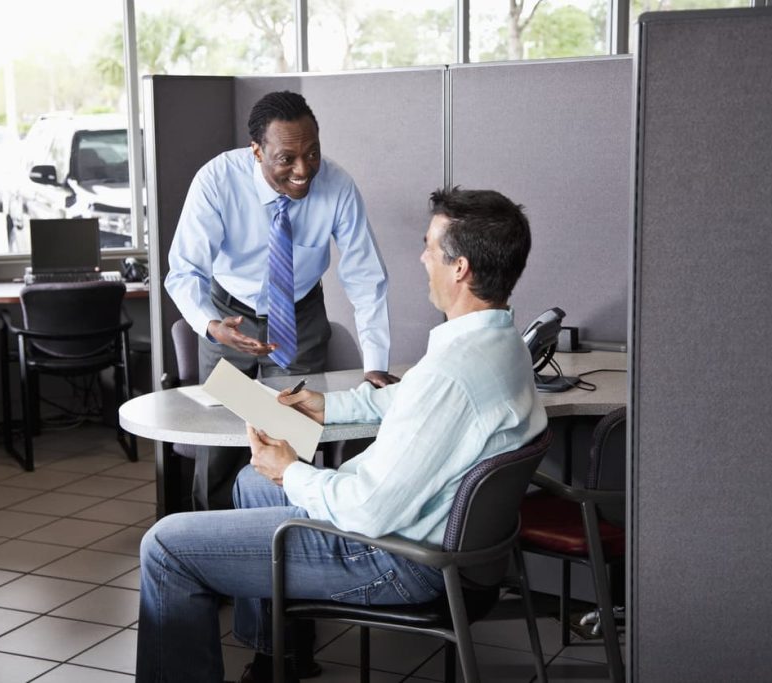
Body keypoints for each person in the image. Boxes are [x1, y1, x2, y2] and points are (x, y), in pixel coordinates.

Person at [137, 187, 548, 683]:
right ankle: (278, 657)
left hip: (394, 556)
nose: (421, 257)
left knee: (165, 545)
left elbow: (368, 509)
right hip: (434, 541)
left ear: (459, 268)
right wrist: (325, 405)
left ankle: (269, 649)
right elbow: (404, 399)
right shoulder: (499, 345)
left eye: (429, 246)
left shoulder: (452, 374)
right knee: (252, 482)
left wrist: (291, 470)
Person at [165, 90, 398, 511]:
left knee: (292, 437)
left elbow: (367, 278)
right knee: (221, 442)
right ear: (257, 151)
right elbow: (184, 270)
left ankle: (281, 547)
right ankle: (209, 543)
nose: (303, 169)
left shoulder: (338, 185)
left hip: (299, 314)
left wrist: (375, 364)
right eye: (286, 159)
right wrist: (209, 324)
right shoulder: (218, 181)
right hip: (227, 315)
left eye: (312, 153)